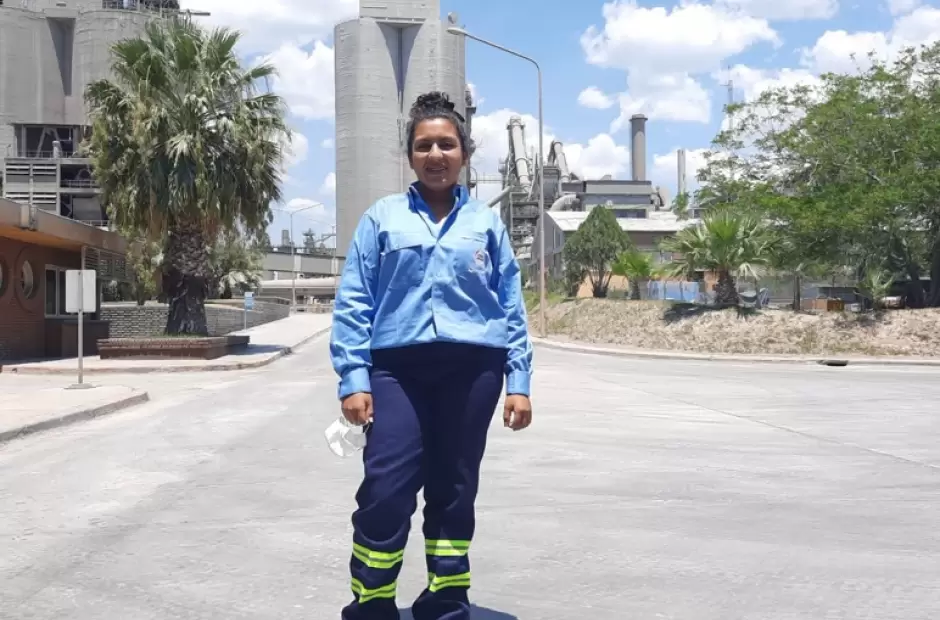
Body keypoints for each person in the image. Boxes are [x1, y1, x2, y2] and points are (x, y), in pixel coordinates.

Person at [330, 91, 534, 620]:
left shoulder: (486, 224)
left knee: (455, 488)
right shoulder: (382, 218)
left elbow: (510, 303)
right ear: (410, 155)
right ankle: (372, 601)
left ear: (464, 153)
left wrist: (519, 381)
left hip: (473, 370)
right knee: (386, 486)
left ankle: (444, 599)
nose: (435, 154)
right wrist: (354, 377)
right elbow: (354, 300)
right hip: (396, 371)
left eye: (446, 144)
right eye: (424, 146)